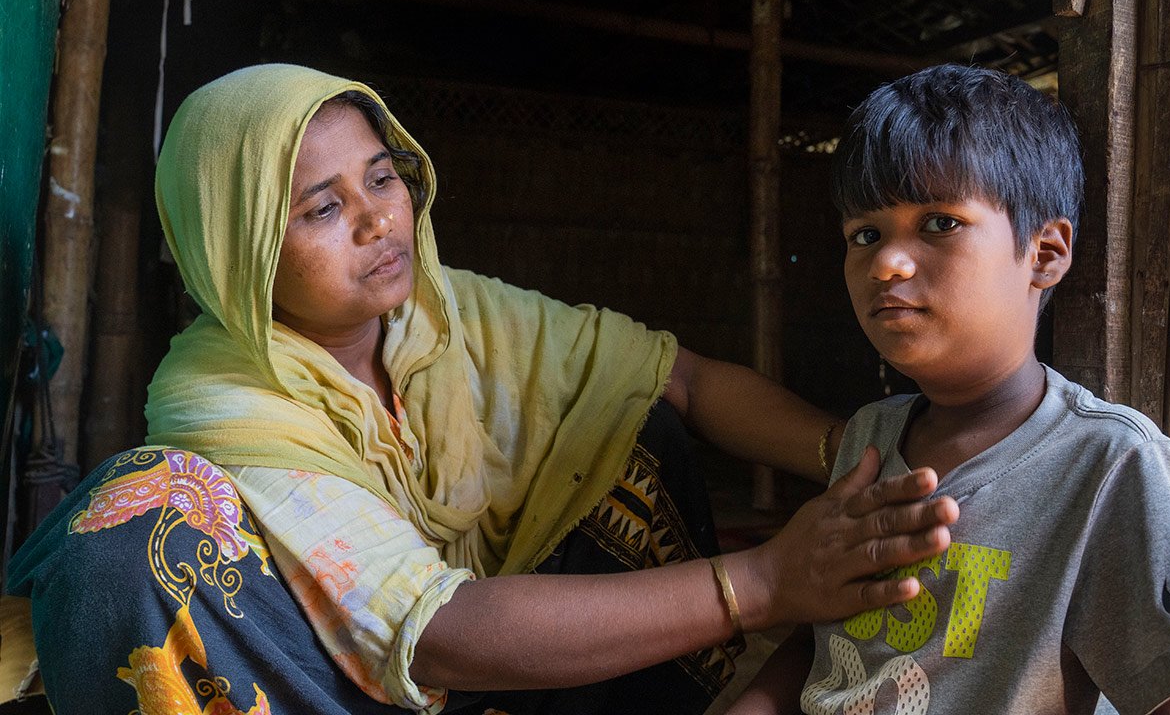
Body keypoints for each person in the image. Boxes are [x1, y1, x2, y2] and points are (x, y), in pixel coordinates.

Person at [6, 64, 957, 715]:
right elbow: (433, 632)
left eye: (384, 177)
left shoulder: (447, 311)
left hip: (505, 661)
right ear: (240, 246)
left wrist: (873, 458)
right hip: (366, 679)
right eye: (323, 208)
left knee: (634, 434)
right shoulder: (220, 396)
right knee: (141, 528)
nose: (380, 218)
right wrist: (765, 582)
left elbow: (690, 380)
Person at [723, 64, 1170, 715]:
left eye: (939, 223)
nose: (887, 262)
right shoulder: (869, 437)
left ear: (1045, 253)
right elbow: (822, 635)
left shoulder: (1109, 462)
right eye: (866, 234)